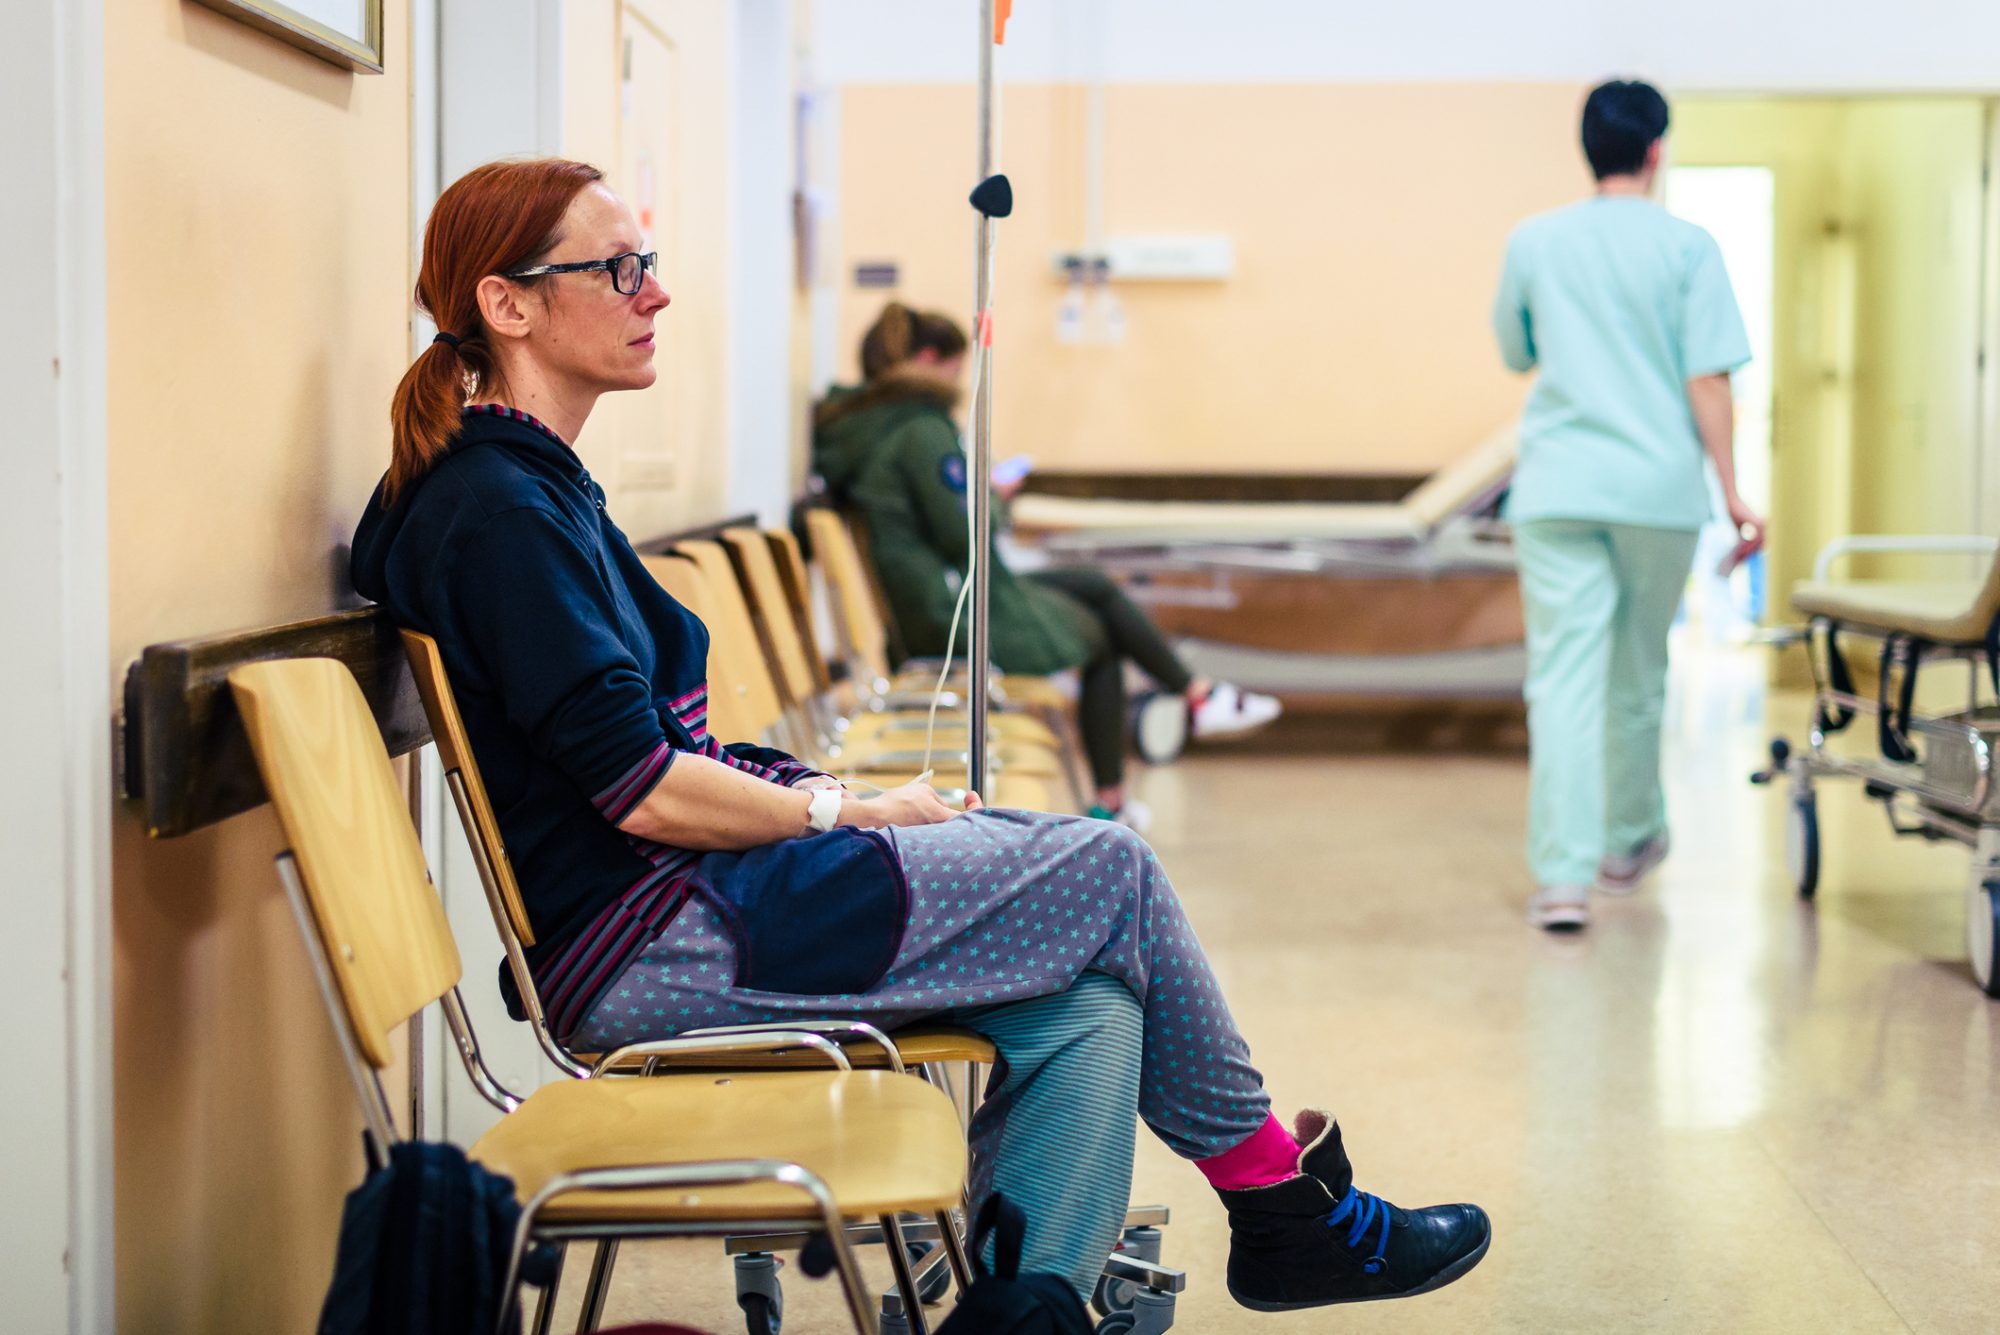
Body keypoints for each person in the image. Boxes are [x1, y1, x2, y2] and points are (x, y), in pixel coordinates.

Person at [352, 158, 1490, 1312]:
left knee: (1091, 1006)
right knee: (1110, 868)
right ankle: (1280, 1210)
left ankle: (1027, 1305)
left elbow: (633, 756)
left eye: (649, 266)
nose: (655, 295)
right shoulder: (497, 513)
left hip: (693, 907)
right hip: (657, 945)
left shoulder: (531, 492)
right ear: (508, 305)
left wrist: (819, 791)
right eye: (619, 269)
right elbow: (639, 790)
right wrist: (843, 808)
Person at [812, 304, 1282, 830]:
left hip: (933, 599)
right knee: (1101, 635)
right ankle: (1145, 758)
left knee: (1094, 588)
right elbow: (965, 533)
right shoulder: (920, 430)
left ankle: (1192, 699)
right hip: (948, 618)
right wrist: (994, 499)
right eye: (956, 368)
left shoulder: (869, 430)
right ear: (929, 359)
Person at [1491, 79, 1764, 931]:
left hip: (1559, 489)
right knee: (1638, 671)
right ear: (1656, 150)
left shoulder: (1534, 241)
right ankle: (1628, 841)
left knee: (1563, 677)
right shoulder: (1689, 248)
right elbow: (1707, 378)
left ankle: (1561, 881)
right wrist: (1732, 490)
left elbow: (1515, 349)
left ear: (1590, 148)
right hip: (1657, 493)